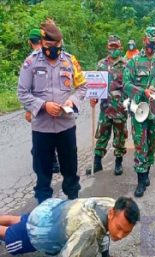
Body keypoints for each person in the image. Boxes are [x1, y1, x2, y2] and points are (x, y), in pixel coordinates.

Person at [18, 19, 87, 203]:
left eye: (56, 45)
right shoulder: (31, 62)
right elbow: (22, 93)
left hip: (66, 126)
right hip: (42, 128)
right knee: (43, 175)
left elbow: (82, 87)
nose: (53, 49)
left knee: (70, 170)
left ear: (61, 43)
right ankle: (43, 210)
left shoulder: (70, 60)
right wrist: (43, 105)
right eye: (48, 45)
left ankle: (73, 202)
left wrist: (72, 101)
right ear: (42, 43)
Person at [0, 196, 140, 257]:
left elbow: (105, 232)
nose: (121, 235)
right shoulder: (89, 230)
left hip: (50, 210)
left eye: (126, 232)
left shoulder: (112, 204)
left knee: (20, 221)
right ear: (111, 213)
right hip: (40, 230)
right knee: (8, 234)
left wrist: (105, 255)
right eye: (120, 228)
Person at [123, 26, 155, 197]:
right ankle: (140, 180)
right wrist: (141, 91)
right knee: (140, 144)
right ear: (145, 40)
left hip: (154, 111)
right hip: (139, 111)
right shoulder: (133, 62)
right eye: (152, 42)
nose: (154, 46)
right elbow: (126, 85)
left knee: (151, 143)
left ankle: (147, 172)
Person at [87, 35, 128, 176]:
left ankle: (118, 163)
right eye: (111, 47)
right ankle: (97, 163)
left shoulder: (126, 65)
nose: (113, 49)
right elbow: (96, 85)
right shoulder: (101, 65)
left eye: (116, 47)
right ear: (107, 47)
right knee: (102, 135)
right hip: (105, 109)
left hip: (120, 109)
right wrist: (93, 98)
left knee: (119, 137)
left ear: (120, 48)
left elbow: (128, 87)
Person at [26, 28, 60, 174]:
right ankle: (53, 161)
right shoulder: (55, 56)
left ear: (30, 42)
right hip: (52, 104)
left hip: (40, 107)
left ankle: (48, 162)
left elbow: (27, 89)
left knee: (42, 136)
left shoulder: (31, 60)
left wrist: (29, 109)